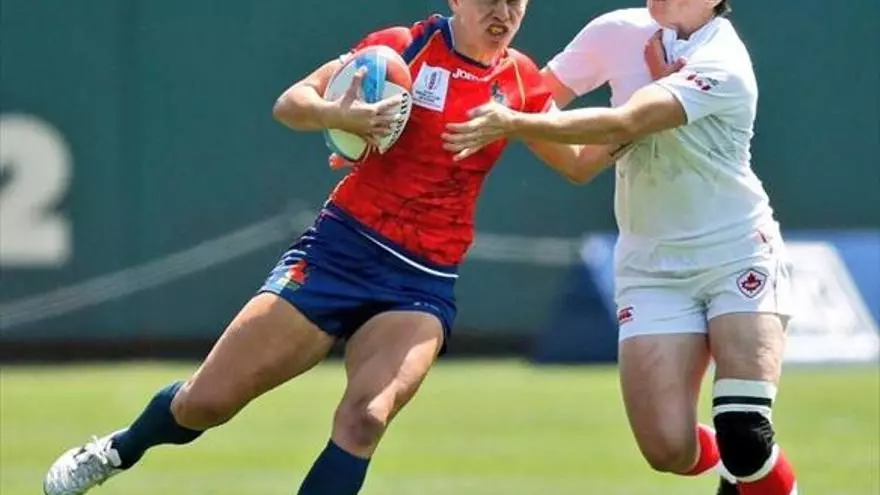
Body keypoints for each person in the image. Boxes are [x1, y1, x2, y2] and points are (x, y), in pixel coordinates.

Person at [41, 1, 629, 494]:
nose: (502, 12)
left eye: (515, 1)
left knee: (366, 418)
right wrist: (338, 114)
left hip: (422, 280)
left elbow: (578, 164)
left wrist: (647, 115)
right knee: (206, 403)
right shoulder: (404, 48)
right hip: (340, 252)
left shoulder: (520, 81)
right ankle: (118, 449)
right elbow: (292, 102)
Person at [443, 1, 799, 494]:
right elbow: (544, 116)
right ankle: (737, 472)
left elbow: (622, 121)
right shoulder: (615, 31)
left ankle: (747, 465)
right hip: (650, 267)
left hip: (735, 252)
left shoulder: (723, 58)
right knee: (667, 449)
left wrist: (513, 122)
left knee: (745, 433)